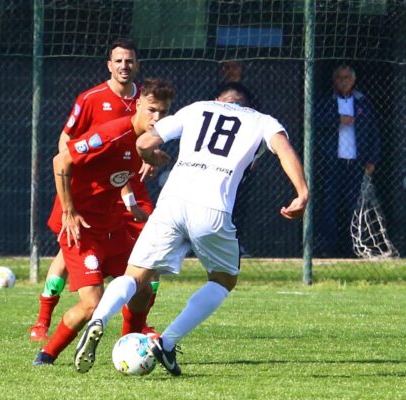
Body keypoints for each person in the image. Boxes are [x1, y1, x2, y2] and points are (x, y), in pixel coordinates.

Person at [73, 82, 309, 376]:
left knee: (134, 275)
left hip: (171, 203)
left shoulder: (197, 108)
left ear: (217, 100)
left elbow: (144, 143)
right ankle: (167, 343)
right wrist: (301, 193)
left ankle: (99, 319)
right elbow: (284, 150)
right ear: (246, 105)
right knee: (223, 280)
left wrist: (152, 158)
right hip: (212, 209)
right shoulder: (262, 120)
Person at [33, 78, 175, 366]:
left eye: (163, 112)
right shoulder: (109, 134)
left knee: (143, 288)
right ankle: (46, 356)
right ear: (137, 104)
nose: (157, 118)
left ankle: (129, 345)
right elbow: (60, 161)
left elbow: (118, 173)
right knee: (92, 304)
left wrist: (133, 199)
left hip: (113, 227)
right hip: (82, 228)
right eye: (151, 110)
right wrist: (68, 211)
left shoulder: (145, 142)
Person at [314, 64, 381, 257]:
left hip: (356, 164)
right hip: (332, 163)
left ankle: (353, 247)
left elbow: (374, 132)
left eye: (347, 78)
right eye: (339, 78)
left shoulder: (362, 102)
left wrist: (372, 159)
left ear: (353, 80)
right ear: (334, 81)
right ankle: (328, 248)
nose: (343, 81)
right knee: (329, 205)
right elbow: (314, 120)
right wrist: (337, 119)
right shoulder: (326, 101)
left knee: (354, 205)